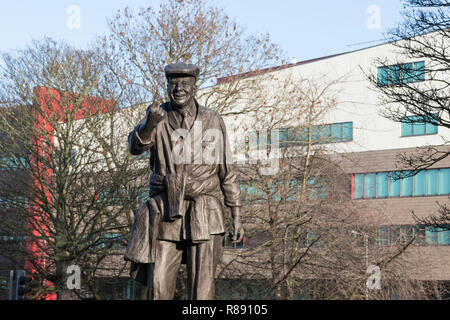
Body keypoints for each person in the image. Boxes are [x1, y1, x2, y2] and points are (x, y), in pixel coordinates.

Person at [124, 62, 244, 300]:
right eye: (173, 84)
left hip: (205, 211)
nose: (178, 89)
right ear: (167, 86)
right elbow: (135, 147)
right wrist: (149, 123)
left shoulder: (213, 120)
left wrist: (237, 216)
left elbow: (227, 171)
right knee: (157, 287)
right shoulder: (157, 117)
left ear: (194, 88)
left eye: (184, 84)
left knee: (202, 292)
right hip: (166, 210)